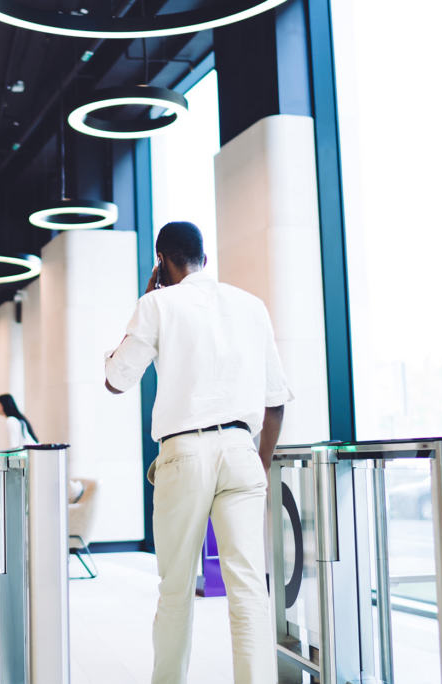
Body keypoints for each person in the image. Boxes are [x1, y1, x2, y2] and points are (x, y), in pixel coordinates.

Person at [105, 222, 291, 684]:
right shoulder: (252, 306)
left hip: (184, 452)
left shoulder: (157, 302)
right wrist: (259, 466)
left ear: (162, 261)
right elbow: (275, 401)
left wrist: (147, 298)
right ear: (204, 259)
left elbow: (116, 379)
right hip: (242, 449)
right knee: (249, 589)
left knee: (176, 590)